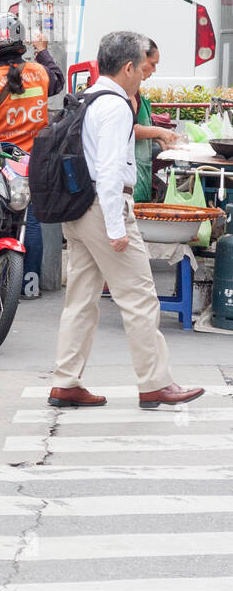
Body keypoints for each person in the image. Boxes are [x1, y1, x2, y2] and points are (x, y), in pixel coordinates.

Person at [49, 31, 204, 410]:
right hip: (106, 208)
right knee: (139, 297)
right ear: (129, 66)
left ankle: (66, 382)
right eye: (143, 66)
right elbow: (110, 169)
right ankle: (155, 383)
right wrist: (117, 229)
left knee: (81, 299)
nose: (145, 74)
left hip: (79, 209)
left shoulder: (89, 97)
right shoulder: (116, 105)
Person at [0, 12, 65, 298]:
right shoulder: (39, 73)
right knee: (31, 221)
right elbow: (58, 80)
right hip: (32, 163)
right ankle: (29, 283)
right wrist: (42, 50)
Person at [132, 38, 180, 202]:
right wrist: (160, 131)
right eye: (152, 64)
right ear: (141, 59)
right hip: (131, 178)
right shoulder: (127, 92)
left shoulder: (136, 92)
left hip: (141, 174)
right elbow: (131, 130)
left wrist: (158, 138)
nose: (153, 70)